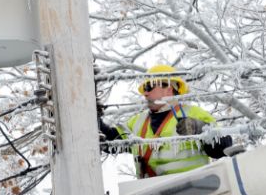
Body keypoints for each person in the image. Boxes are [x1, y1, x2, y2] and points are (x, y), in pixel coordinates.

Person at [98, 64, 232, 179]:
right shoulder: (138, 122)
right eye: (144, 89)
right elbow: (111, 141)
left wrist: (200, 128)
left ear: (168, 88)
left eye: (149, 87)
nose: (145, 93)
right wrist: (95, 118)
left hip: (195, 192)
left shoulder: (194, 113)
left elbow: (224, 147)